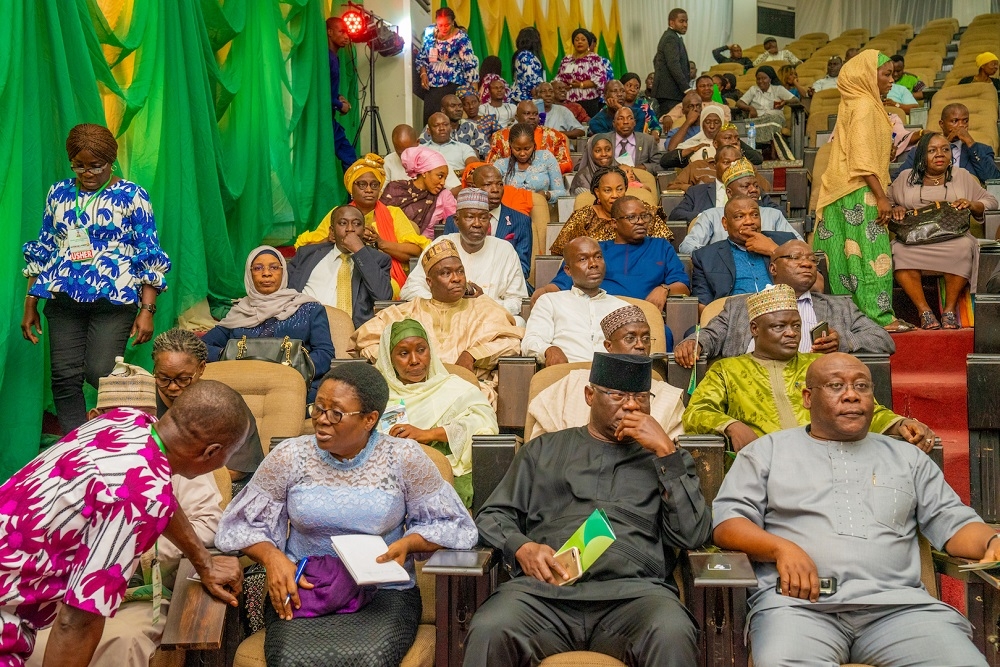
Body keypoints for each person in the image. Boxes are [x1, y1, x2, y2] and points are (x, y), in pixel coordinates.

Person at [712, 352, 995, 667]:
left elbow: (954, 525)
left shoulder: (907, 458)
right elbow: (728, 524)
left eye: (862, 386)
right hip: (798, 609)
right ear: (807, 398)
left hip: (899, 610)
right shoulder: (766, 453)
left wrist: (991, 543)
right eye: (836, 386)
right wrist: (781, 548)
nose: (851, 395)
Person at [215, 363, 478, 667]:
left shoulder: (404, 457)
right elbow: (240, 525)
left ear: (370, 419)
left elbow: (453, 524)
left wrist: (409, 544)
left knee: (370, 659)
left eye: (336, 413)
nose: (321, 421)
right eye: (318, 408)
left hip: (383, 592)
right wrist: (273, 557)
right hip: (306, 588)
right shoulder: (290, 455)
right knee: (290, 660)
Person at [464, 351, 710, 667]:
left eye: (641, 398)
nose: (632, 406)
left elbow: (693, 534)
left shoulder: (667, 459)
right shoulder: (543, 449)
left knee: (672, 631)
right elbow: (493, 515)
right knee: (490, 627)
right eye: (619, 396)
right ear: (589, 395)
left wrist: (666, 453)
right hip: (544, 597)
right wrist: (521, 546)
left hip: (635, 598)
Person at [0, 381, 249, 666]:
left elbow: (160, 495)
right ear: (211, 452)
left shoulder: (128, 421)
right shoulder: (138, 499)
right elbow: (76, 622)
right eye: (229, 455)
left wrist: (203, 561)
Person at [21, 123, 170, 434]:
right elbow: (45, 246)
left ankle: (129, 426)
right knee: (64, 376)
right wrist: (30, 300)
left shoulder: (132, 195)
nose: (86, 173)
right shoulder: (59, 193)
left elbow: (148, 251)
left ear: (111, 161)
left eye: (95, 166)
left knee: (101, 371)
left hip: (113, 300)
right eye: (78, 165)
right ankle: (75, 446)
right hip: (63, 297)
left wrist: (147, 309)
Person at [683, 286, 935, 452]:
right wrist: (730, 425)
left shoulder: (818, 366)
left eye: (795, 326)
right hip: (763, 465)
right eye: (779, 327)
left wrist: (899, 422)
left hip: (829, 459)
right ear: (754, 330)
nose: (791, 333)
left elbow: (857, 407)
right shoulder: (728, 370)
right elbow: (697, 411)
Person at [675, 240, 895, 368]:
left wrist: (844, 342)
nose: (807, 264)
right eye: (796, 258)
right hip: (753, 388)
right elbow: (711, 334)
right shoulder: (740, 306)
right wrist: (695, 343)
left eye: (811, 260)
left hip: (818, 388)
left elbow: (883, 340)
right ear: (773, 269)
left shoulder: (841, 307)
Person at [353, 240, 523, 403]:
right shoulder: (405, 312)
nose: (456, 278)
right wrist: (401, 365)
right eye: (446, 273)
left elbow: (511, 343)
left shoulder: (484, 308)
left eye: (460, 271)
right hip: (411, 391)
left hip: (466, 391)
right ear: (429, 282)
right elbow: (364, 340)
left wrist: (472, 355)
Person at [813, 50, 911, 332]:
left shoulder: (858, 102)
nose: (892, 80)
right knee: (871, 256)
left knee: (845, 260)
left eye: (893, 74)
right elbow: (861, 158)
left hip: (844, 190)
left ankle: (849, 321)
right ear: (868, 76)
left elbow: (863, 150)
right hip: (859, 190)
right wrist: (882, 197)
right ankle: (880, 319)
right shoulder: (865, 106)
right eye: (886, 74)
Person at [374, 319, 498, 508]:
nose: (415, 360)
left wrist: (428, 434)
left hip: (449, 473)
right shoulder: (378, 396)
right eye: (404, 353)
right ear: (389, 359)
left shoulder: (453, 387)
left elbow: (484, 423)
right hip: (389, 478)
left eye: (421, 350)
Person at [888, 133, 998, 329]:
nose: (940, 154)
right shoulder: (906, 177)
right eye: (932, 150)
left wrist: (972, 204)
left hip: (953, 236)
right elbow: (885, 202)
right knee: (898, 251)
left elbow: (991, 202)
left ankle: (949, 311)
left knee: (965, 247)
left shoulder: (962, 175)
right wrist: (895, 207)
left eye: (945, 149)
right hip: (914, 239)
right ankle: (925, 312)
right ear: (921, 155)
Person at [526, 306, 685, 439]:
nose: (640, 345)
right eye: (630, 338)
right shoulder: (571, 383)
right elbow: (542, 447)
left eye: (646, 339)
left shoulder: (667, 396)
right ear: (608, 346)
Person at [202, 246, 335, 402]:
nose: (266, 273)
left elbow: (325, 352)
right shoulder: (239, 312)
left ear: (283, 271)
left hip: (293, 388)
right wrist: (229, 357)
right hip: (244, 389)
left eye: (274, 267)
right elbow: (201, 346)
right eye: (258, 268)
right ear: (249, 274)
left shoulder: (309, 308)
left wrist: (296, 369)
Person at [295, 154, 429, 299]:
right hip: (340, 271)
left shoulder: (393, 213)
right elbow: (305, 250)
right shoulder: (338, 214)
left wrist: (380, 242)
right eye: (362, 184)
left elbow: (416, 251)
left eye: (374, 185)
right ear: (351, 189)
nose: (369, 189)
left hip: (384, 276)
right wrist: (329, 240)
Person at [543, 196, 690, 326]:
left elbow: (683, 286)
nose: (640, 222)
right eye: (632, 217)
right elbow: (559, 284)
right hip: (597, 319)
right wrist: (543, 294)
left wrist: (664, 289)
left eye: (644, 216)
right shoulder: (595, 249)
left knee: (664, 335)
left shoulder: (661, 246)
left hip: (644, 320)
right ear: (614, 223)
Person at [153, 329, 266, 483]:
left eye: (183, 379)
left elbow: (238, 470)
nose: (172, 387)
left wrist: (177, 482)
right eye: (163, 378)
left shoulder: (223, 404)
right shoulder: (141, 401)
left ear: (201, 368)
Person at [402, 189, 528, 320]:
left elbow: (517, 301)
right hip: (443, 317)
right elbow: (410, 289)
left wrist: (484, 302)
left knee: (518, 322)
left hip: (487, 320)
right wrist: (445, 302)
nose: (477, 224)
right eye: (470, 217)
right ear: (456, 221)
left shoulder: (504, 250)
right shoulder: (441, 245)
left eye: (483, 218)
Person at [523, 237, 627, 365]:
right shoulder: (550, 302)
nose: (593, 264)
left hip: (612, 378)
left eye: (598, 257)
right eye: (583, 259)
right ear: (568, 270)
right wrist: (549, 350)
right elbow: (531, 341)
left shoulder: (622, 308)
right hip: (568, 375)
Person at [288, 205, 393, 328]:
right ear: (332, 231)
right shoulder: (307, 255)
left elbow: (384, 296)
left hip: (353, 336)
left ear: (364, 231)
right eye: (343, 223)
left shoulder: (377, 260)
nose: (350, 229)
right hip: (306, 330)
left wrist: (359, 250)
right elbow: (286, 294)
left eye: (356, 224)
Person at [690, 196, 798, 307]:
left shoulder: (786, 241)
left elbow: (811, 281)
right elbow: (703, 306)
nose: (749, 221)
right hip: (734, 318)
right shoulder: (705, 257)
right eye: (739, 216)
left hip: (785, 311)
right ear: (725, 223)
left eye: (755, 215)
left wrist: (774, 251)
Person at [676, 158, 795, 249]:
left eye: (756, 185)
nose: (753, 190)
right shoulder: (711, 215)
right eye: (746, 186)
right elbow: (687, 246)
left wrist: (773, 251)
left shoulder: (773, 215)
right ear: (729, 192)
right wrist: (715, 257)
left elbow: (798, 245)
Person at [551, 167, 673, 256]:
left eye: (619, 189)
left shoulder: (644, 212)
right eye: (608, 190)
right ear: (597, 192)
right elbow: (559, 252)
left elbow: (663, 248)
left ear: (626, 189)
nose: (615, 195)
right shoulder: (583, 216)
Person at [443, 164, 532, 279]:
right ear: (473, 188)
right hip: (464, 284)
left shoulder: (520, 221)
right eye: (488, 184)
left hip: (506, 285)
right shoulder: (455, 221)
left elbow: (523, 268)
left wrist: (490, 282)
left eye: (500, 184)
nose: (495, 190)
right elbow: (446, 261)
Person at [898, 103, 1000, 184]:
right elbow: (898, 179)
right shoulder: (921, 149)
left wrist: (970, 142)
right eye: (955, 121)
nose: (961, 126)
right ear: (941, 124)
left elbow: (993, 179)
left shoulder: (981, 150)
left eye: (965, 121)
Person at [671, 155, 782, 226]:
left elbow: (780, 213)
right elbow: (676, 215)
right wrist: (705, 217)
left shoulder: (756, 193)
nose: (753, 189)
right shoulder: (697, 192)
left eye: (755, 185)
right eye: (726, 162)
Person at [417, 7, 479, 125]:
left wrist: (473, 91)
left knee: (449, 118)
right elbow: (422, 58)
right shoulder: (429, 33)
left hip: (453, 83)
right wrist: (423, 74)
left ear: (453, 22)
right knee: (431, 118)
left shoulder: (461, 37)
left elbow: (470, 64)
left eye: (447, 25)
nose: (443, 28)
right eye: (440, 25)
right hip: (432, 85)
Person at [381, 146, 459, 239]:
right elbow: (379, 218)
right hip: (389, 244)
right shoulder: (396, 189)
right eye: (440, 176)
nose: (443, 182)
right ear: (424, 172)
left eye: (445, 178)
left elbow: (456, 225)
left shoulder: (444, 196)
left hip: (426, 248)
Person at [486, 101, 573, 174]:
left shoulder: (554, 136)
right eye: (527, 113)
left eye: (535, 114)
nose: (532, 117)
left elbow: (566, 164)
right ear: (516, 117)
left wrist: (540, 171)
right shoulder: (500, 136)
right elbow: (491, 165)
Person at [665, 125, 763, 187]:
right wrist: (695, 190)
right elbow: (672, 187)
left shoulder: (747, 166)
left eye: (737, 139)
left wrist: (743, 162)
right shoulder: (697, 166)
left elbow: (766, 190)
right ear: (715, 144)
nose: (734, 142)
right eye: (728, 138)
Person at [493, 123, 567, 204]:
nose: (522, 153)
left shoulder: (546, 157)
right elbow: (492, 193)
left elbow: (562, 193)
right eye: (517, 149)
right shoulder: (500, 165)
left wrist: (547, 194)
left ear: (534, 144)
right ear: (510, 145)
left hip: (541, 210)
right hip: (512, 211)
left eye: (527, 148)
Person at [735, 66, 798, 157]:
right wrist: (750, 108)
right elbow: (739, 103)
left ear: (770, 79)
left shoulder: (778, 89)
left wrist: (785, 102)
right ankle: (748, 154)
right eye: (758, 79)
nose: (761, 81)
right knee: (742, 125)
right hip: (758, 119)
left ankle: (774, 154)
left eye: (764, 78)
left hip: (775, 118)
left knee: (772, 122)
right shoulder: (753, 89)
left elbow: (795, 100)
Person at [555, 28, 608, 118]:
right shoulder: (566, 59)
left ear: (588, 43)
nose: (580, 42)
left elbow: (600, 79)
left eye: (583, 40)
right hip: (568, 101)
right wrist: (563, 86)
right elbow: (558, 78)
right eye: (577, 40)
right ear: (573, 42)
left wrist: (581, 84)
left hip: (588, 101)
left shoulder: (594, 58)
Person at [326, 17, 357, 170]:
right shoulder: (327, 57)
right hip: (325, 117)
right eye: (341, 32)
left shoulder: (334, 57)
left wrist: (338, 97)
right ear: (329, 32)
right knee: (349, 156)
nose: (346, 37)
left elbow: (328, 87)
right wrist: (340, 105)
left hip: (329, 115)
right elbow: (322, 93)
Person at [569, 136, 646, 196]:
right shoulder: (583, 177)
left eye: (608, 149)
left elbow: (640, 193)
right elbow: (585, 203)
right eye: (598, 151)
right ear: (590, 153)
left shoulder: (623, 169)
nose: (604, 154)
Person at [420, 94, 490, 159]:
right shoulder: (433, 126)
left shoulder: (471, 126)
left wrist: (473, 152)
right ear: (443, 110)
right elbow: (420, 149)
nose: (458, 109)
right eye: (453, 106)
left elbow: (486, 149)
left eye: (460, 106)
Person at [599, 108, 663, 172]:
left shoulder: (648, 141)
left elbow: (660, 165)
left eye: (630, 118)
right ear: (614, 123)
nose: (625, 122)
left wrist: (645, 167)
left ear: (634, 122)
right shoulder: (604, 140)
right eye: (621, 118)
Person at [652, 8, 690, 114]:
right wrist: (687, 89)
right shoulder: (671, 38)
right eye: (681, 21)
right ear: (671, 22)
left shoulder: (673, 37)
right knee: (670, 127)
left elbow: (656, 60)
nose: (685, 25)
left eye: (686, 21)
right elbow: (673, 64)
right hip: (670, 94)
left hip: (669, 93)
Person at [662, 79, 732, 132]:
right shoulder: (685, 105)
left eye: (710, 85)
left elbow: (724, 126)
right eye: (702, 86)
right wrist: (667, 118)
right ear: (696, 89)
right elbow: (669, 116)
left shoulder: (723, 108)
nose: (707, 88)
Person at [619, 72, 662, 137]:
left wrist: (655, 133)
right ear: (621, 87)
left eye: (636, 87)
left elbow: (656, 126)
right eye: (629, 86)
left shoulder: (643, 104)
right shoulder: (614, 104)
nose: (633, 90)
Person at [510, 27, 546, 103]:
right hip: (527, 100)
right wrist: (540, 105)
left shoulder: (520, 54)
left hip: (521, 98)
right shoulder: (527, 56)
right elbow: (531, 81)